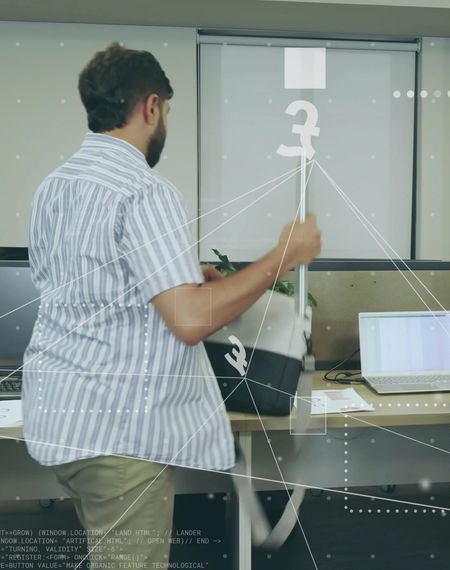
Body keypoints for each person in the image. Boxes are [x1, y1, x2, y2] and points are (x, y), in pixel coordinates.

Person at [21, 43, 321, 568]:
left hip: (60, 420)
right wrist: (283, 256)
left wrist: (185, 278)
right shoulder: (142, 189)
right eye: (167, 114)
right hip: (118, 436)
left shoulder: (54, 187)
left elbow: (89, 289)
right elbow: (187, 320)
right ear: (150, 106)